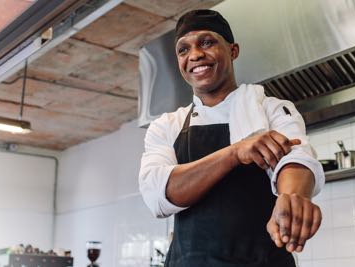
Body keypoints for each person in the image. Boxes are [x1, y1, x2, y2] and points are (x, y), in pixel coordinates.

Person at [139, 9, 325, 267]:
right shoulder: (167, 126)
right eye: (183, 50)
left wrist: (292, 197)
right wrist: (236, 152)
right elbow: (160, 195)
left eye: (207, 42)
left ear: (233, 50)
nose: (195, 55)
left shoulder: (271, 109)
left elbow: (296, 158)